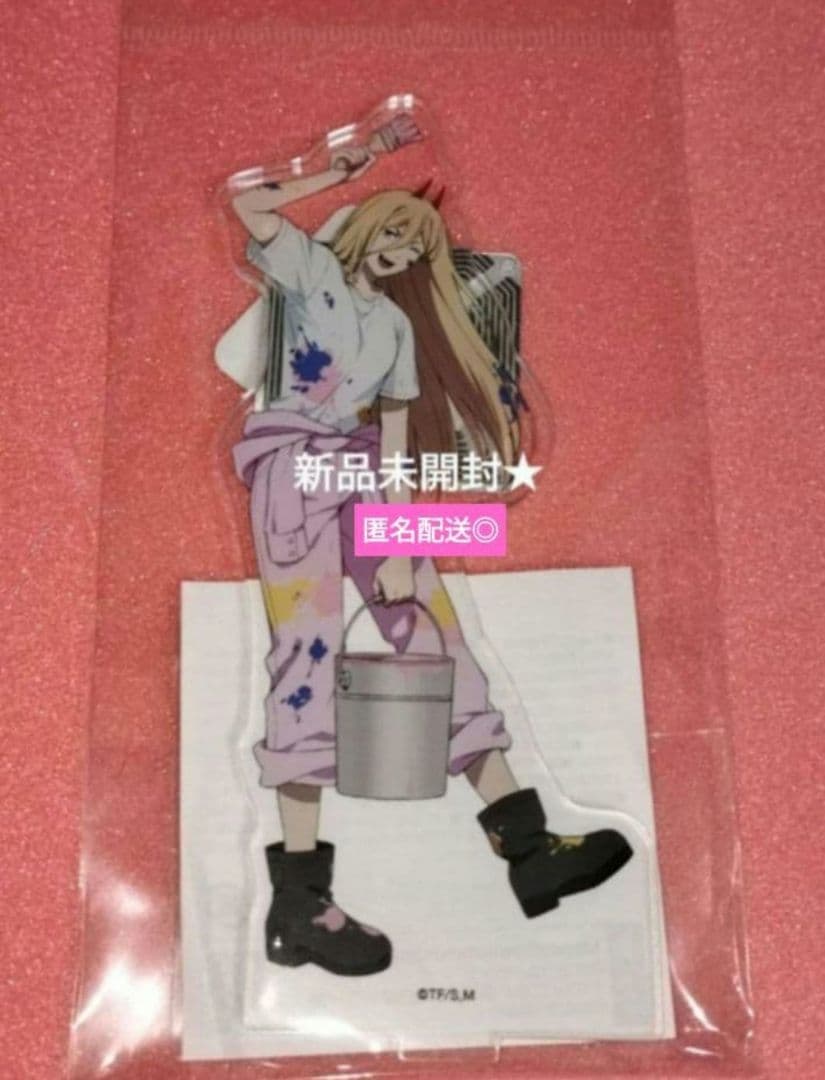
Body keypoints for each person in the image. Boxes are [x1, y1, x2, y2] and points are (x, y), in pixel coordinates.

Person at [231, 141, 632, 976]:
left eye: (417, 246)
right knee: (304, 657)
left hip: (363, 473)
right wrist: (340, 173)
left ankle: (527, 848)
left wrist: (399, 540)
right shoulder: (313, 273)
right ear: (367, 228)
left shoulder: (396, 327)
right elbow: (250, 206)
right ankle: (299, 902)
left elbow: (395, 437)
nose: (401, 251)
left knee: (436, 635)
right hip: (293, 467)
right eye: (393, 233)